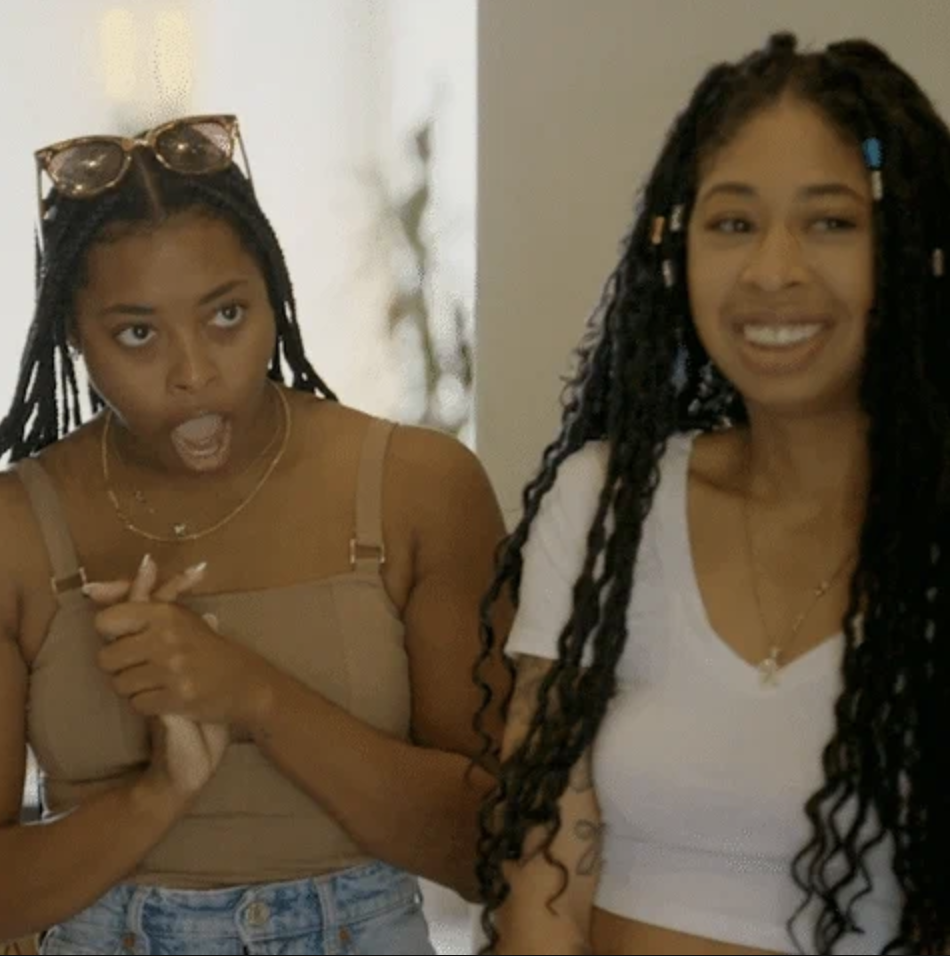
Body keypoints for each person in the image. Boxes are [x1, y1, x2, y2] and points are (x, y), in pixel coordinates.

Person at [472, 32, 950, 956]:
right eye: (733, 223)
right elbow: (541, 884)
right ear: (676, 249)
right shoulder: (606, 502)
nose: (773, 271)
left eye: (831, 222)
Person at [0, 114, 509, 955]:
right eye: (136, 333)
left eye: (227, 315)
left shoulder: (418, 488)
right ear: (71, 336)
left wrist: (251, 696)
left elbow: (491, 847)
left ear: (273, 292)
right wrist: (160, 792)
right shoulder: (19, 529)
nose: (194, 372)